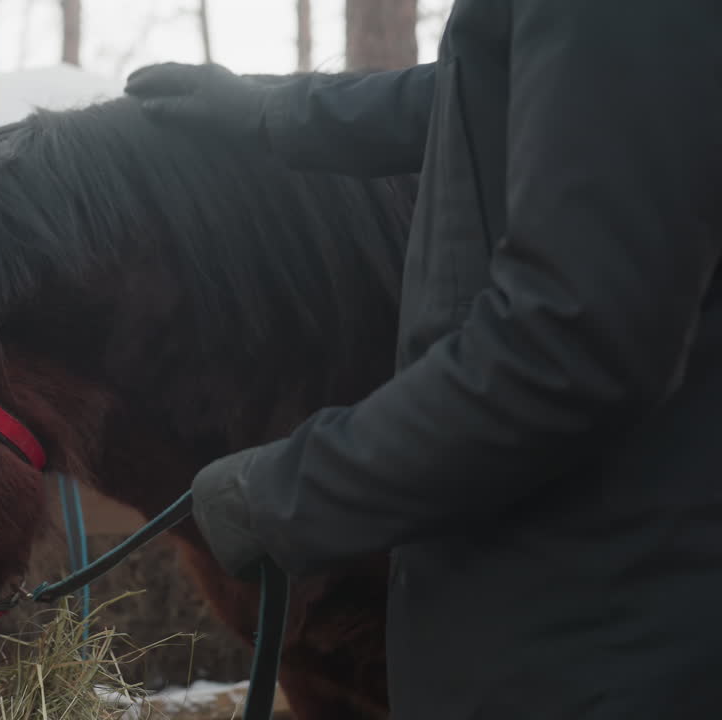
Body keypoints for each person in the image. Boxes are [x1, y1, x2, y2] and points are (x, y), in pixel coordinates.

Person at [124, 2, 722, 719]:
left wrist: (288, 491)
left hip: (601, 634)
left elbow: (573, 346)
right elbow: (498, 90)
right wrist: (284, 112)